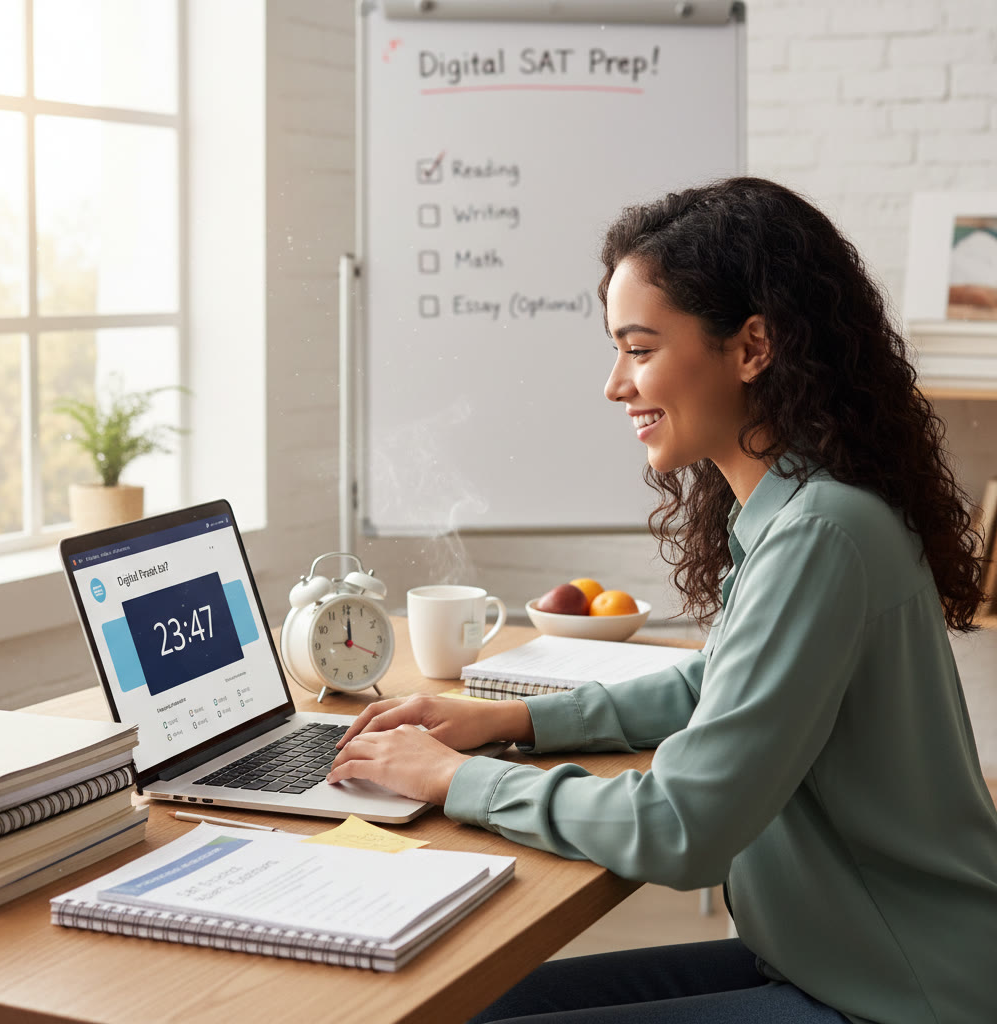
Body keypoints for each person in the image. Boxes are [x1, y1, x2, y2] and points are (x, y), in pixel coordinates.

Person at [328, 177, 997, 1023]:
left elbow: (682, 826)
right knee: (463, 1004)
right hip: (836, 955)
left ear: (752, 348)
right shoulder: (804, 508)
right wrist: (511, 721)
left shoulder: (820, 536)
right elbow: (715, 684)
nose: (616, 385)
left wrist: (457, 778)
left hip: (901, 994)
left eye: (639, 350)